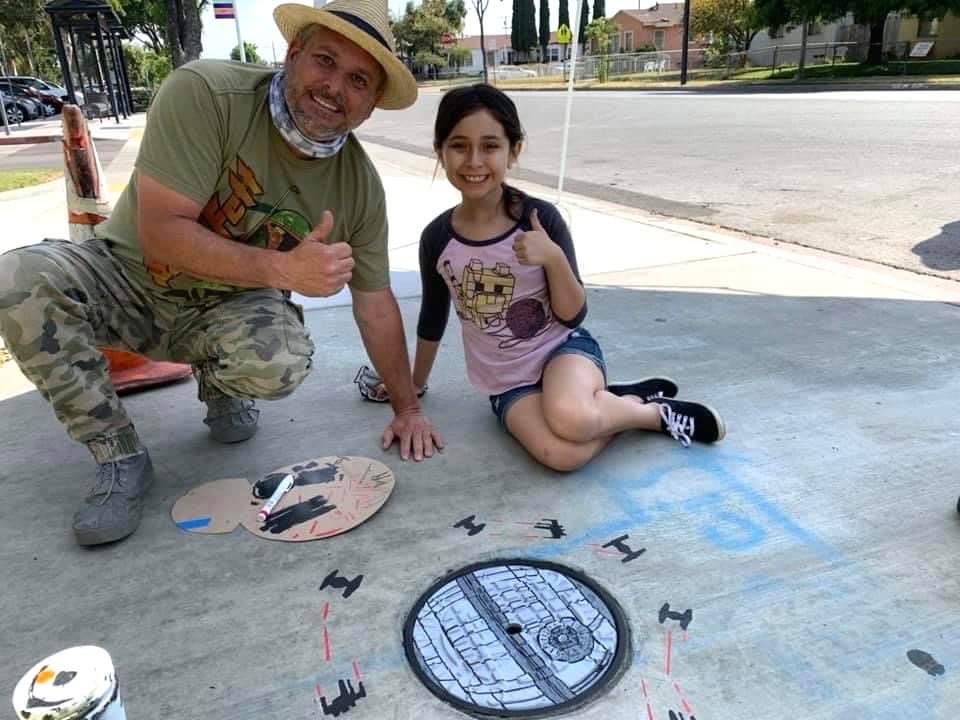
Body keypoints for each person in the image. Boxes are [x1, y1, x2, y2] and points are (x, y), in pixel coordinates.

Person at [0, 0, 442, 547]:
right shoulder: (207, 93)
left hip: (225, 308)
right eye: (324, 61)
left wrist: (408, 407)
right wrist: (283, 268)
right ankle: (119, 455)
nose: (334, 88)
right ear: (293, 53)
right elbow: (162, 230)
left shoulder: (358, 187)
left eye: (357, 80)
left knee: (279, 362)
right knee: (17, 279)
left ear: (371, 104)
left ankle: (219, 380)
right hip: (127, 277)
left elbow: (374, 301)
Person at [408, 84, 724, 472]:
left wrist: (553, 257)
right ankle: (621, 404)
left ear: (513, 150)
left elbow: (573, 315)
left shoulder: (539, 220)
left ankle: (652, 415)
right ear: (440, 150)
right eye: (459, 145)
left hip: (563, 351)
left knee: (572, 420)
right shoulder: (438, 238)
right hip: (506, 381)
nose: (474, 160)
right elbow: (432, 316)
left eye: (490, 146)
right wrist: (414, 387)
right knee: (563, 456)